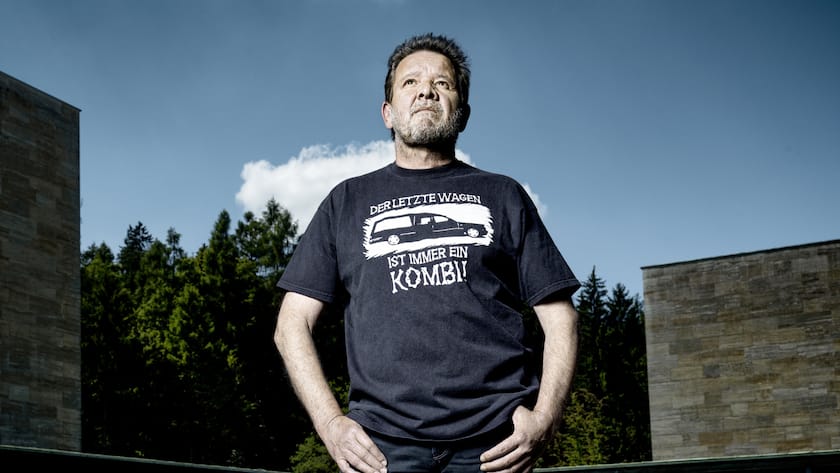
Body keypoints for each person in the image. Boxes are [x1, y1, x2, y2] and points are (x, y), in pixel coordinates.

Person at [274, 33, 580, 473]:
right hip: (381, 450)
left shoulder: (503, 194)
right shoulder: (347, 202)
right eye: (410, 82)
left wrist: (545, 419)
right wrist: (330, 423)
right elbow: (292, 324)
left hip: (496, 444)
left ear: (463, 113)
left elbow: (561, 318)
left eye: (443, 83)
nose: (426, 91)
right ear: (388, 112)